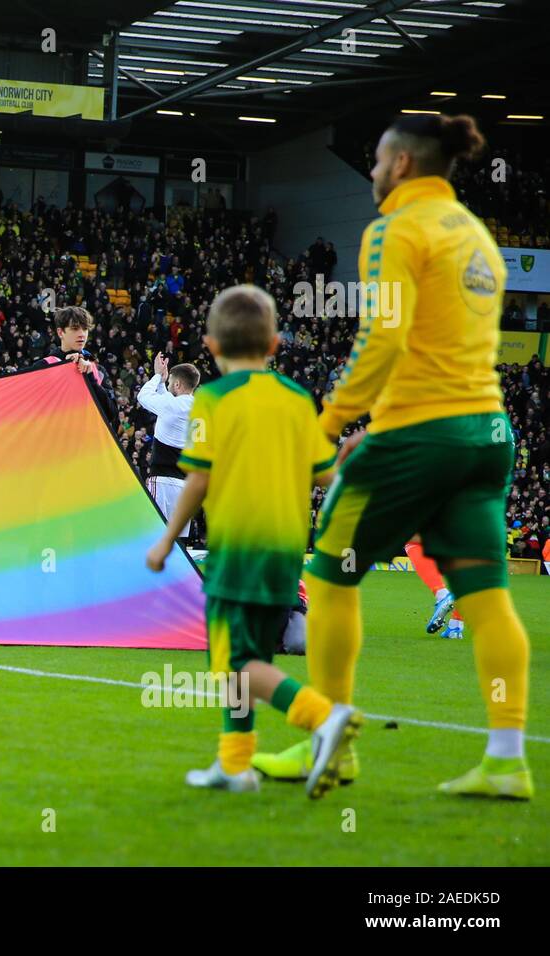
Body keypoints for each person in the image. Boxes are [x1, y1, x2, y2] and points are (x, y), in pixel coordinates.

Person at [256, 114, 533, 800]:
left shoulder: (394, 231)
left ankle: (336, 745)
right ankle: (506, 760)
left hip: (419, 434)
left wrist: (329, 423)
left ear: (403, 164)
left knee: (328, 577)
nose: (373, 172)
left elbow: (385, 338)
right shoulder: (481, 240)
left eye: (378, 161)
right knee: (488, 596)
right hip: (487, 434)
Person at [146, 284, 359, 798]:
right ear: (275, 344)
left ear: (211, 345)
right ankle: (235, 762)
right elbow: (325, 477)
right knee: (251, 654)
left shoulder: (212, 399)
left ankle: (322, 718)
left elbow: (197, 481)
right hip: (288, 551)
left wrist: (165, 542)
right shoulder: (294, 397)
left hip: (237, 548)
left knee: (233, 663)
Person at [137, 352, 199, 537]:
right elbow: (170, 405)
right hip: (185, 486)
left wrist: (157, 376)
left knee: (154, 536)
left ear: (178, 384)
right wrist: (164, 384)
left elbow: (143, 396)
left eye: (171, 382)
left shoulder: (172, 406)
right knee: (178, 545)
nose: (169, 384)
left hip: (162, 481)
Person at [32, 306, 118, 423]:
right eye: (75, 329)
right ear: (60, 332)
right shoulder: (43, 367)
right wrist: (64, 368)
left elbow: (111, 414)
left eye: (85, 329)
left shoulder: (97, 369)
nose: (82, 334)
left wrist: (90, 378)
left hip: (89, 437)